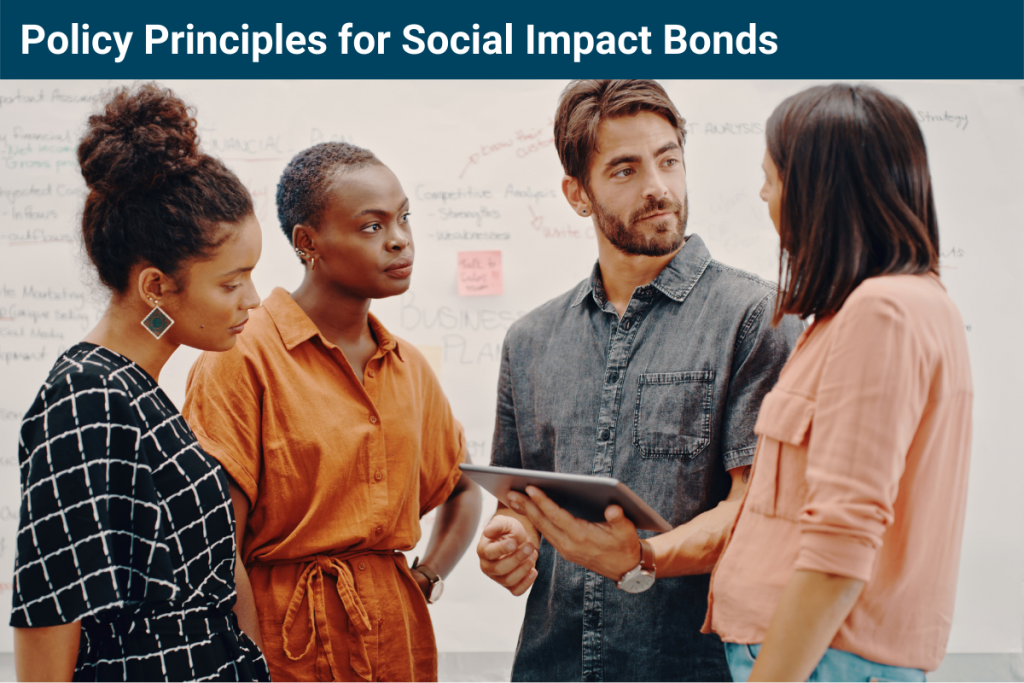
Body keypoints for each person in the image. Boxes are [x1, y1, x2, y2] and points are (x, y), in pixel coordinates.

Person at [476, 79, 804, 682]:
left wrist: (642, 557)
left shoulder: (758, 318)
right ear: (578, 194)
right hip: (553, 666)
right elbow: (520, 501)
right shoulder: (529, 340)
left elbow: (756, 511)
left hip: (689, 666)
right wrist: (511, 537)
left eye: (669, 160)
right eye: (625, 170)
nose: (659, 188)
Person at [182, 141, 483, 682]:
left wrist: (429, 575)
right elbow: (215, 545)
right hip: (285, 647)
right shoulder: (242, 355)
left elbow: (462, 485)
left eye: (404, 218)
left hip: (397, 644)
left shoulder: (407, 367)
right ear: (307, 242)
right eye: (372, 226)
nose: (400, 240)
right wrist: (250, 667)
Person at [703, 84, 973, 682]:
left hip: (822, 661)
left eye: (771, 178)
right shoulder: (884, 307)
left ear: (816, 189)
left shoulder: (881, 312)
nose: (763, 195)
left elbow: (839, 549)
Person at [10, 83, 268, 681]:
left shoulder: (139, 390)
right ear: (155, 286)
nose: (251, 301)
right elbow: (52, 607)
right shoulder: (87, 396)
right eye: (231, 283)